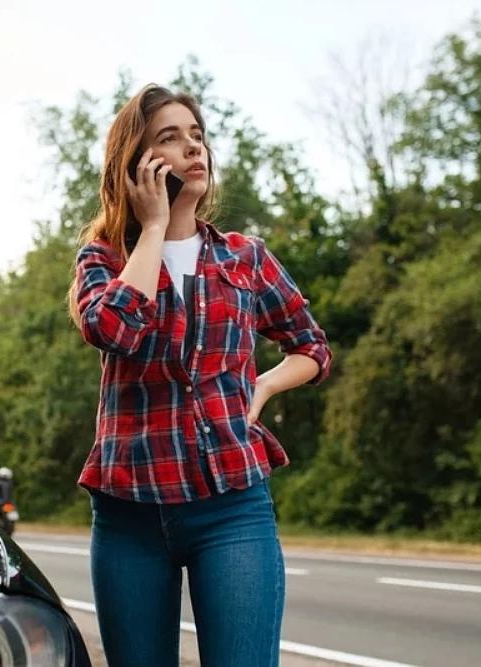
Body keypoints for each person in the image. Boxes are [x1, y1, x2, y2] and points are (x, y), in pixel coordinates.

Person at [68, 84, 332, 667]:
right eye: (170, 138)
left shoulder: (246, 257)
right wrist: (154, 228)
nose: (193, 148)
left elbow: (312, 347)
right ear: (136, 162)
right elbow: (114, 330)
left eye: (197, 136)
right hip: (129, 510)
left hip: (232, 506)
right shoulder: (104, 257)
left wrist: (263, 385)